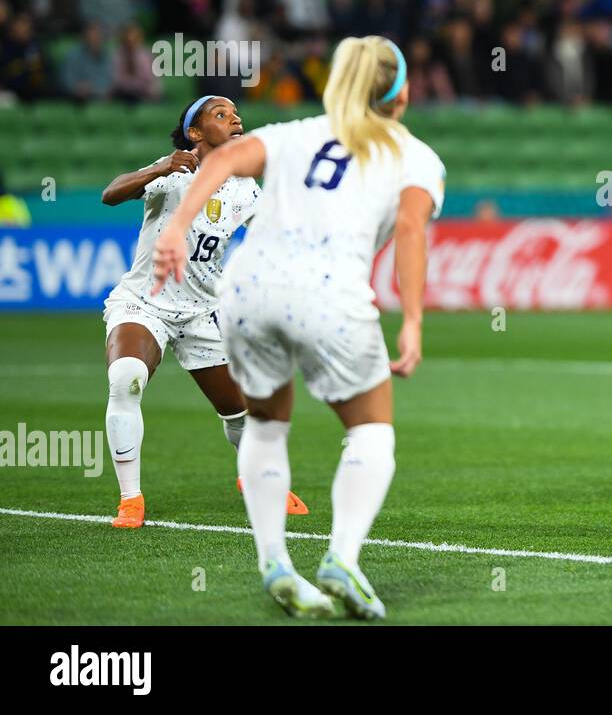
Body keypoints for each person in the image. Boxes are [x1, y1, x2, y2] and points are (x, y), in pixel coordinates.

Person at [150, 37, 445, 621]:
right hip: (329, 295)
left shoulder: (300, 131)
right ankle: (341, 558)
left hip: (246, 289)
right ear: (401, 91)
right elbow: (411, 230)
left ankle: (275, 563)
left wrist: (177, 224)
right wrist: (412, 320)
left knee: (265, 423)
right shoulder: (415, 156)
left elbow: (226, 159)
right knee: (370, 432)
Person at [100, 96, 307, 529]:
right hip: (145, 302)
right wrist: (158, 169)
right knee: (127, 377)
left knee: (239, 412)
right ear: (195, 133)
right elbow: (111, 194)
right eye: (220, 114)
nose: (235, 119)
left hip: (201, 313)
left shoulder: (242, 187)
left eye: (235, 113)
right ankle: (131, 498)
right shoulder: (173, 172)